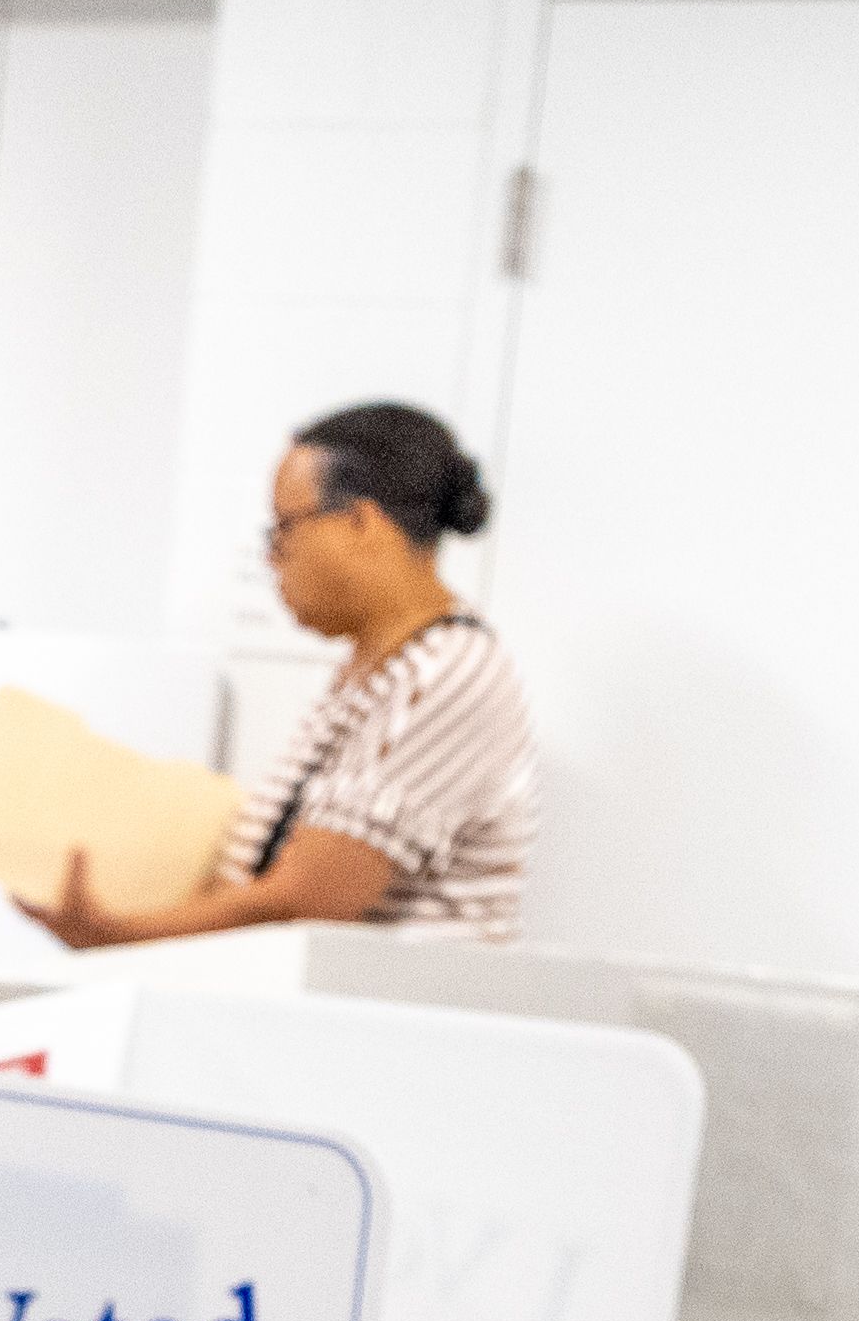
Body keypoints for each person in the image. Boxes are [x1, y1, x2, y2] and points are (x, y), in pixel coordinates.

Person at [50, 400, 541, 950]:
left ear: (360, 523)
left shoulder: (447, 671)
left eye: (284, 529)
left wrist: (116, 933)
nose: (274, 558)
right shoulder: (379, 668)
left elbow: (310, 899)